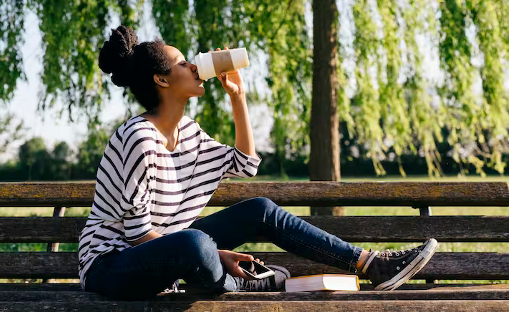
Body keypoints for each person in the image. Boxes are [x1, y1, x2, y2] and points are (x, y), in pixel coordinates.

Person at [78, 25, 439, 300]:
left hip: (169, 250)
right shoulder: (138, 138)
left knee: (259, 210)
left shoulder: (188, 131)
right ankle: (238, 282)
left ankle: (372, 264)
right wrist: (217, 254)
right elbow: (137, 234)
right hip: (112, 265)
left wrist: (239, 97)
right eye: (182, 63)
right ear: (162, 79)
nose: (193, 65)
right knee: (195, 244)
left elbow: (244, 163)